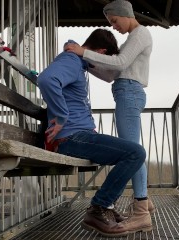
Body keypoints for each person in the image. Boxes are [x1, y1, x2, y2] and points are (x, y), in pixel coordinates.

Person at [37, 28, 151, 237]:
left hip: (79, 134)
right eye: (104, 58)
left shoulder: (77, 62)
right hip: (70, 137)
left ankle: (104, 206)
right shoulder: (71, 60)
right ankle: (99, 207)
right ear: (100, 50)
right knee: (135, 152)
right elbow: (46, 79)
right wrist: (62, 116)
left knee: (132, 152)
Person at [64, 0, 154, 232]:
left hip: (130, 92)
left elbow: (120, 62)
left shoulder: (140, 34)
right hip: (125, 91)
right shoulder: (132, 39)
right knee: (133, 150)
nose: (114, 26)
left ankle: (141, 210)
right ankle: (144, 203)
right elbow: (111, 74)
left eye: (114, 21)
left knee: (133, 150)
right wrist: (85, 61)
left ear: (126, 15)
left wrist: (83, 51)